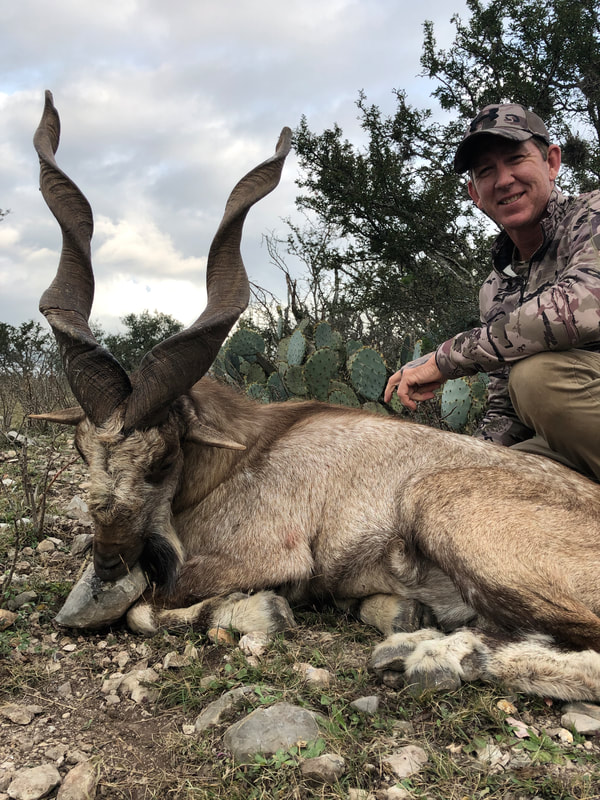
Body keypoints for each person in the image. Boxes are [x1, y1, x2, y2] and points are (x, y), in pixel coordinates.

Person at [384, 103, 600, 482]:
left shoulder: (592, 215)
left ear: (552, 162)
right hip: (571, 435)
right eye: (486, 171)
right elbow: (505, 407)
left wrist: (445, 359)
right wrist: (467, 463)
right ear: (475, 193)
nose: (503, 180)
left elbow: (580, 307)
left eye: (516, 159)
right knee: (484, 481)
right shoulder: (496, 286)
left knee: (536, 380)